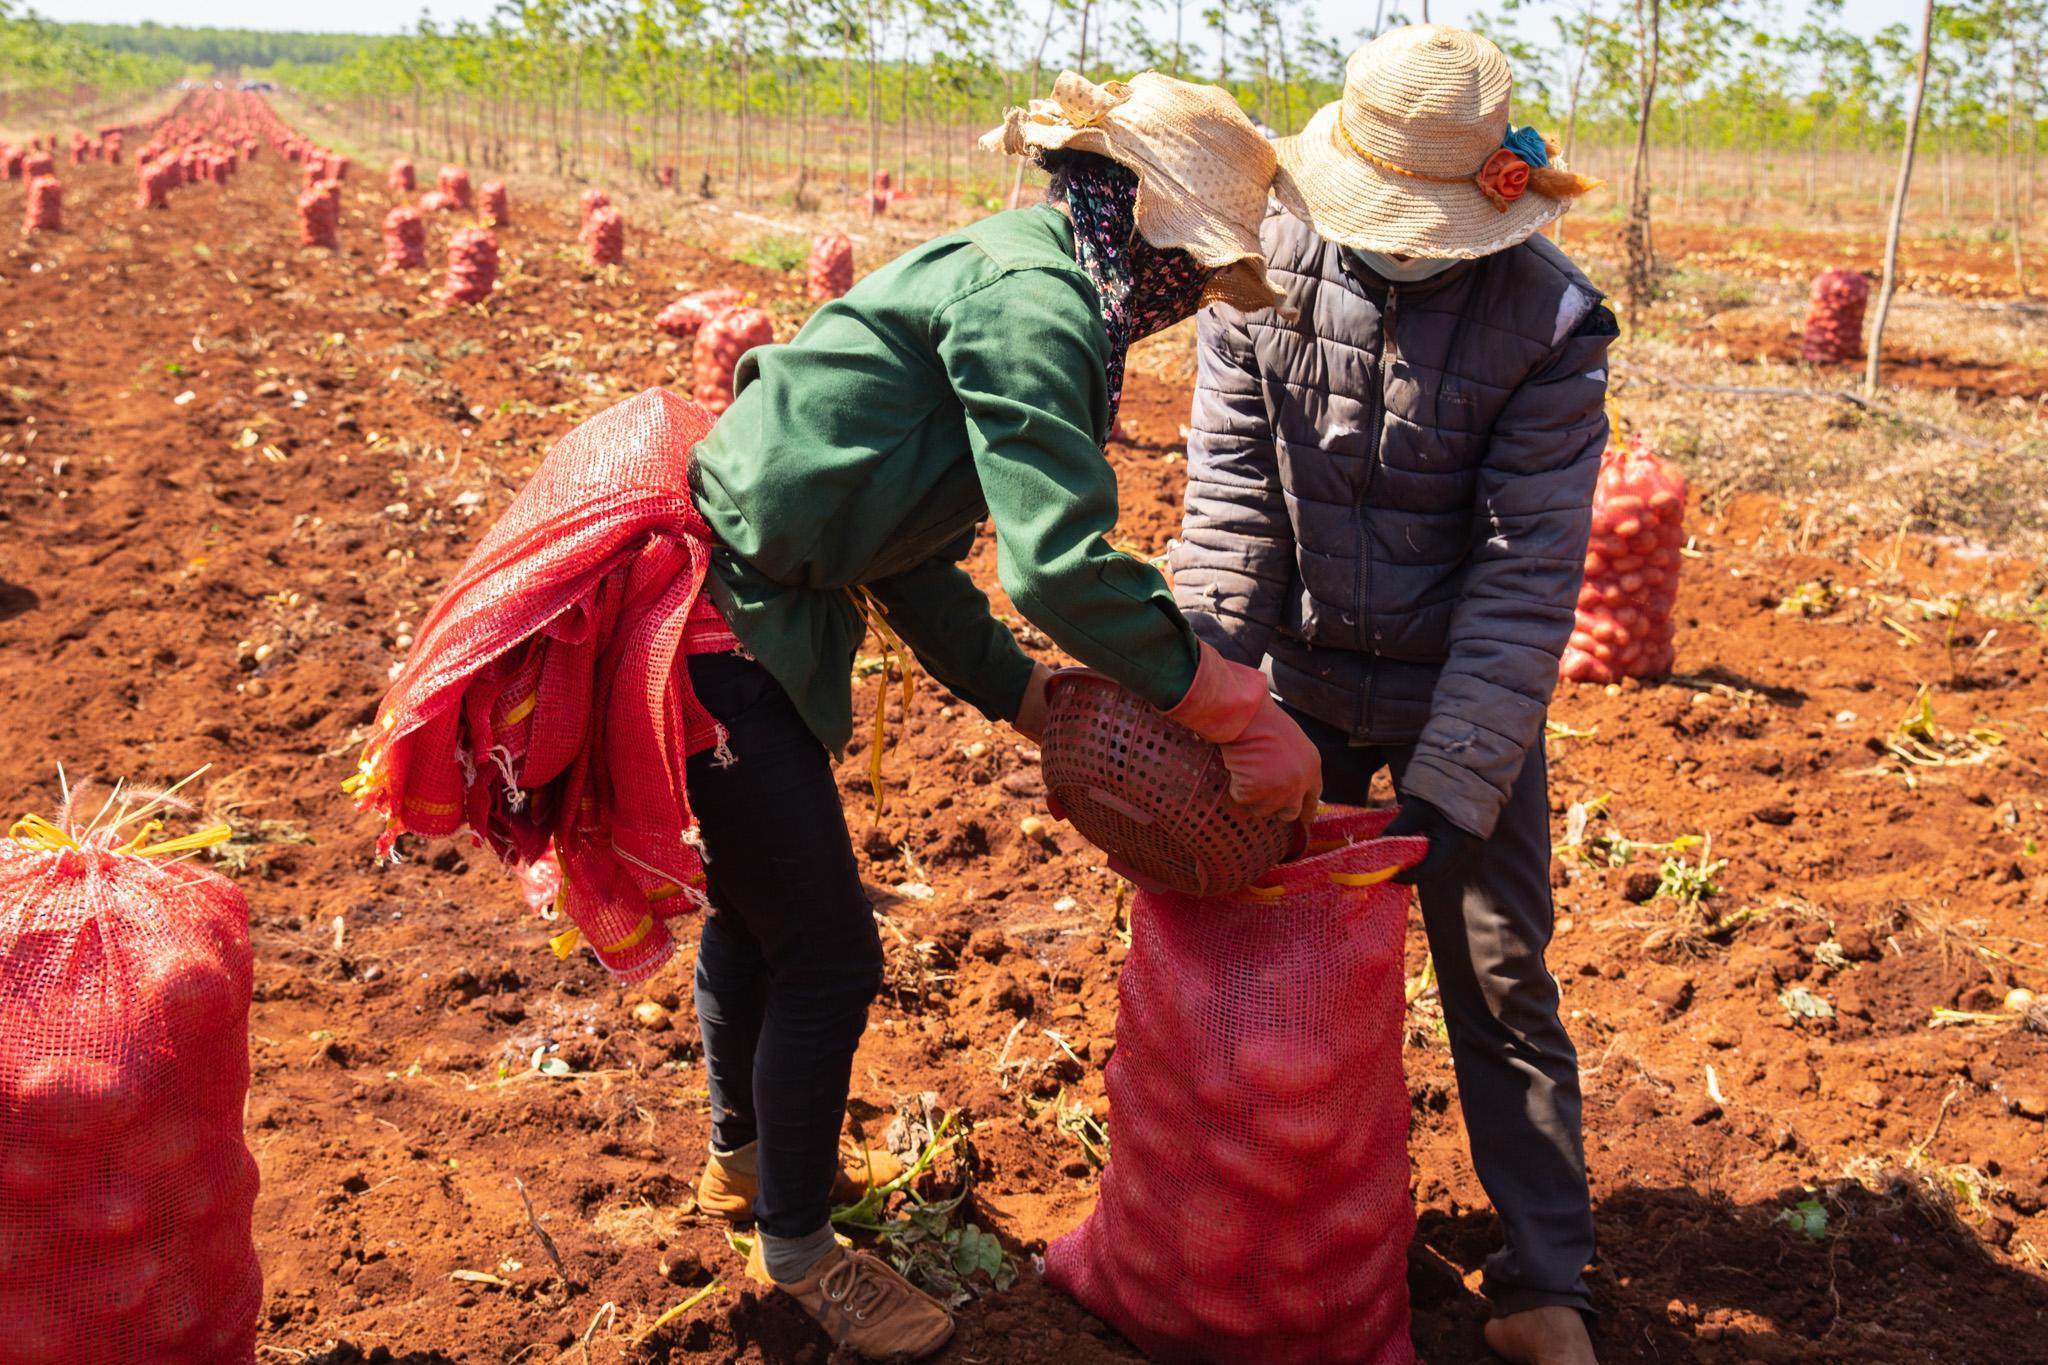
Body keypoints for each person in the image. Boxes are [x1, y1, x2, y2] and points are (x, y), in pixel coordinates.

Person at [1169, 25, 1614, 1365]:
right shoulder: (1261, 269)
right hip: (1299, 685)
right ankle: (1243, 1229)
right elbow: (1236, 507)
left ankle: (1546, 1277)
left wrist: (1447, 787)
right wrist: (1214, 707)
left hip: (1456, 704)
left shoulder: (1546, 319)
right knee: (1250, 956)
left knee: (1497, 977)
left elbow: (1526, 575)